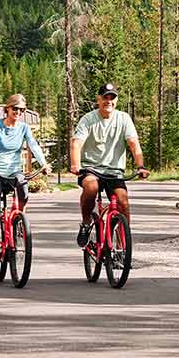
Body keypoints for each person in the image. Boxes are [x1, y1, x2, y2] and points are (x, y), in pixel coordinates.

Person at [0, 93, 50, 275]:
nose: (18, 112)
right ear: (7, 109)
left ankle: (18, 220)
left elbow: (34, 145)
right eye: (15, 108)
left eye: (21, 110)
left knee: (23, 186)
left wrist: (44, 163)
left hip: (14, 172)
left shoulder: (24, 128)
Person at [70, 82, 149, 247]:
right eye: (105, 97)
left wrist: (140, 166)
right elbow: (76, 143)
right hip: (91, 169)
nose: (109, 101)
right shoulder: (88, 119)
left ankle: (122, 246)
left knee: (123, 201)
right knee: (91, 187)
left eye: (112, 97)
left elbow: (133, 143)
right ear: (98, 99)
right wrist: (76, 164)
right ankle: (86, 223)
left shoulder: (123, 118)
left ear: (116, 100)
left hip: (114, 171)